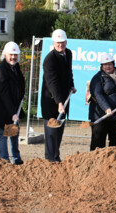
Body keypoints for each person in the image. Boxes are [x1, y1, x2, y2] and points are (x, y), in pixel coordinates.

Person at [41, 29, 76, 162]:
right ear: (53, 43)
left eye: (62, 42)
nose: (60, 45)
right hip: (51, 100)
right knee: (51, 132)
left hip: (63, 98)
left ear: (66, 42)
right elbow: (52, 83)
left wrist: (71, 84)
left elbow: (68, 72)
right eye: (58, 43)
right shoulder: (49, 60)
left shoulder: (68, 53)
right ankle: (50, 159)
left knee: (59, 130)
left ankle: (55, 156)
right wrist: (59, 103)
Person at [0, 41, 26, 165]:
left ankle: (16, 158)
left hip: (13, 107)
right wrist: (13, 113)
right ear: (5, 55)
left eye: (15, 55)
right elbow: (4, 94)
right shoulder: (1, 70)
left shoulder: (15, 67)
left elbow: (19, 83)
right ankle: (4, 160)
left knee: (13, 132)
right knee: (3, 134)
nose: (13, 57)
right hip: (2, 109)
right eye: (11, 55)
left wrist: (21, 95)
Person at [88, 52, 116, 150]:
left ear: (113, 64)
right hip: (101, 116)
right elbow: (97, 95)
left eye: (110, 64)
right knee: (98, 144)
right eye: (105, 64)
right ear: (102, 66)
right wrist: (106, 108)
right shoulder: (97, 78)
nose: (108, 66)